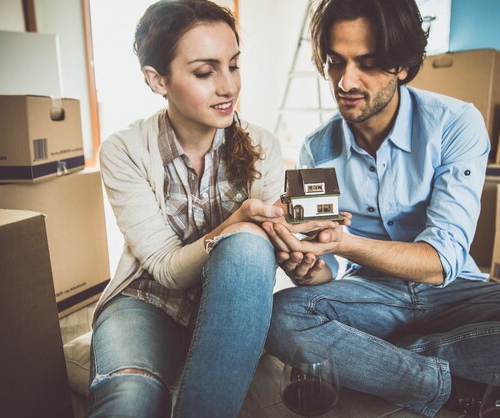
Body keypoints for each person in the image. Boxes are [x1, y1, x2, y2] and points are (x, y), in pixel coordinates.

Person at [263, 0, 500, 417]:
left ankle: (381, 362)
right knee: (282, 315)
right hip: (372, 297)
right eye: (336, 62)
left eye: (367, 63)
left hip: (455, 292)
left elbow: (441, 263)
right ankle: (456, 383)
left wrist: (345, 245)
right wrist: (313, 268)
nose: (345, 81)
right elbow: (331, 260)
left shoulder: (455, 123)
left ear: (402, 66)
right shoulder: (318, 147)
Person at [86, 1, 333, 417]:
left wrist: (307, 262)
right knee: (130, 400)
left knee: (252, 243)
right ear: (156, 79)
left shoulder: (263, 146)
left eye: (233, 66)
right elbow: (164, 268)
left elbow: (272, 257)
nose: (228, 87)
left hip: (228, 305)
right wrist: (236, 223)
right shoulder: (123, 150)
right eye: (205, 72)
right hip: (146, 302)